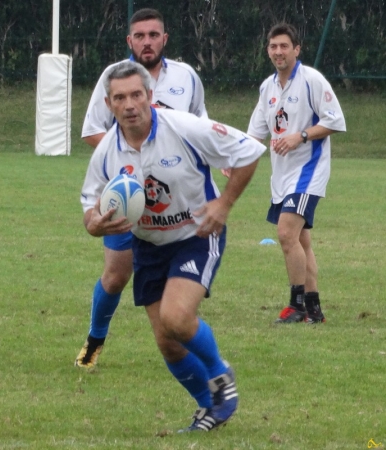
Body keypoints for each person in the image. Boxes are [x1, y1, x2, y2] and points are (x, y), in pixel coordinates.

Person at [80, 61, 266, 431]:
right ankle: (211, 408)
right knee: (168, 343)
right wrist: (95, 225)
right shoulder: (106, 153)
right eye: (120, 98)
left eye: (136, 94)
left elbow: (249, 151)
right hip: (148, 246)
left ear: (150, 96)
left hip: (196, 236)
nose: (130, 104)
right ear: (109, 104)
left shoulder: (183, 127)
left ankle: (220, 374)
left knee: (176, 317)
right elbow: (90, 205)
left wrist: (224, 204)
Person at [76, 8, 207, 368]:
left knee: (173, 279)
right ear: (129, 41)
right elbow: (91, 130)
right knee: (117, 275)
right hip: (127, 196)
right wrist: (130, 159)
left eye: (153, 35)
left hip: (171, 198)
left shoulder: (187, 77)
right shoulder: (113, 77)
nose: (146, 42)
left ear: (164, 39)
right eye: (139, 36)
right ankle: (94, 340)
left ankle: (183, 338)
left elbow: (201, 126)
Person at [247, 23, 346, 324]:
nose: (278, 51)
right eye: (273, 46)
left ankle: (297, 305)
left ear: (296, 49)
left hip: (308, 172)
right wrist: (234, 159)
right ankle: (314, 310)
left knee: (286, 233)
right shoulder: (268, 87)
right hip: (282, 177)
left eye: (284, 46)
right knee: (301, 242)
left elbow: (335, 120)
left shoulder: (311, 80)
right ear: (268, 50)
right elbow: (255, 134)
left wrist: (300, 136)